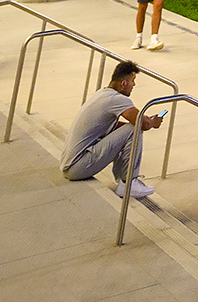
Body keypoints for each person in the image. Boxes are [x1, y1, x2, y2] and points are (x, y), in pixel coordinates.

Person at [62, 61, 165, 199]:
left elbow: (113, 127)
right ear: (124, 83)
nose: (134, 85)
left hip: (69, 164)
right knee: (135, 129)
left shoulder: (102, 93)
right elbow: (142, 123)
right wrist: (152, 122)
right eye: (132, 81)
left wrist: (146, 122)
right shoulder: (116, 99)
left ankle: (124, 180)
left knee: (130, 128)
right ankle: (128, 183)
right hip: (78, 167)